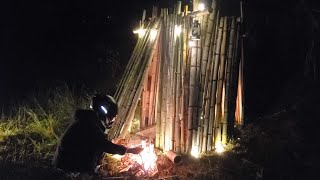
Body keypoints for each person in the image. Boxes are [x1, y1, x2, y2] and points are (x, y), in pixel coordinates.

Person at [53, 94, 142, 179]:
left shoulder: (87, 120)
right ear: (104, 114)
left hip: (66, 164)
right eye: (111, 118)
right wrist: (129, 150)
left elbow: (98, 143)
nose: (111, 121)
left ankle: (91, 172)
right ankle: (84, 175)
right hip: (69, 169)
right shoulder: (90, 125)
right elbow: (105, 145)